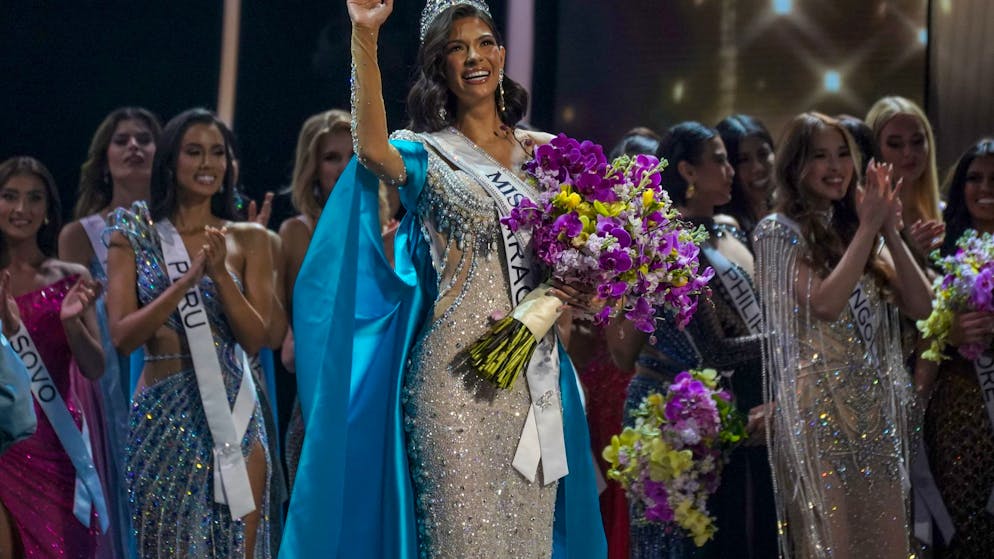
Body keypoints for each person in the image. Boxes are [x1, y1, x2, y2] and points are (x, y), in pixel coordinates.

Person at [280, 1, 605, 557]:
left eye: (483, 43)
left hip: (536, 384)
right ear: (440, 67)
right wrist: (365, 36)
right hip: (456, 384)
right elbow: (370, 149)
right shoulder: (424, 152)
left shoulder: (552, 157)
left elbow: (590, 257)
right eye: (456, 48)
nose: (473, 57)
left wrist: (590, 286)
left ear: (501, 54)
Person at [754, 113, 932, 558]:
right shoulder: (776, 231)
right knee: (834, 546)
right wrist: (870, 228)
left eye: (842, 155)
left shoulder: (853, 228)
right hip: (818, 415)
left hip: (874, 413)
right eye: (820, 157)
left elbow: (923, 307)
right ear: (795, 166)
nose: (836, 167)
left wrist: (888, 228)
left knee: (888, 545)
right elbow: (825, 303)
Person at [105, 108, 281, 557]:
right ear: (170, 161)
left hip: (234, 416)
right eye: (194, 152)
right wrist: (182, 284)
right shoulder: (134, 233)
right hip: (159, 418)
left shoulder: (249, 240)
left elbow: (256, 338)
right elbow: (123, 337)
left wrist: (220, 275)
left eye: (217, 153)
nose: (208, 164)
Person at [609, 122, 776, 559]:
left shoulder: (730, 232)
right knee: (673, 544)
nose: (730, 171)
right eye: (718, 160)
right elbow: (714, 350)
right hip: (668, 414)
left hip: (718, 412)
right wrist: (791, 343)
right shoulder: (666, 243)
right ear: (686, 171)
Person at [58, 105, 161, 559]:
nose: (134, 146)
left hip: (162, 372)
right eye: (122, 140)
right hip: (106, 383)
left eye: (144, 138)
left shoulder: (176, 228)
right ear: (104, 157)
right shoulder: (79, 235)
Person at [0, 156, 106, 558]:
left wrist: (73, 323)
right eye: (9, 197)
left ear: (47, 211)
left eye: (34, 198)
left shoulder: (69, 277)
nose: (21, 209)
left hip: (59, 446)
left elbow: (95, 368)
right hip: (3, 446)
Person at [922, 138, 994, 557]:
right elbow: (914, 333)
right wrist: (948, 334)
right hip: (957, 410)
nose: (985, 187)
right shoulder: (942, 250)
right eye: (974, 177)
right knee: (961, 518)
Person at [276, 108, 352, 487]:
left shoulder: (394, 235)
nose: (344, 168)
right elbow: (283, 339)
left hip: (377, 401)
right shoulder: (295, 233)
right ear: (313, 167)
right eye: (332, 157)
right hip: (316, 405)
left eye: (355, 156)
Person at [866, 96, 944, 260]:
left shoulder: (944, 213)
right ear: (875, 148)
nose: (908, 152)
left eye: (917, 141)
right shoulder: (863, 217)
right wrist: (907, 252)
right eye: (895, 144)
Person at [714, 114, 775, 248]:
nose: (757, 168)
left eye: (763, 154)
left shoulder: (790, 211)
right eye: (743, 160)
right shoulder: (725, 227)